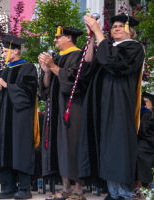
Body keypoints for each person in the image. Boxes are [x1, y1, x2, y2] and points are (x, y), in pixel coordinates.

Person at [79, 14, 145, 200]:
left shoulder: (134, 47)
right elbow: (89, 64)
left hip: (120, 103)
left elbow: (114, 64)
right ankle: (113, 192)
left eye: (120, 26)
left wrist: (99, 32)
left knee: (118, 146)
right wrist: (92, 36)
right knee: (105, 146)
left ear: (130, 30)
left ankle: (124, 193)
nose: (115, 28)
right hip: (103, 104)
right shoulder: (108, 47)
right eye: (113, 26)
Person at [38, 25, 93, 200]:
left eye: (58, 37)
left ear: (69, 38)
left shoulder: (78, 56)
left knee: (74, 145)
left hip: (73, 108)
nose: (55, 40)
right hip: (55, 108)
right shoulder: (56, 57)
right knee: (59, 146)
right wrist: (46, 71)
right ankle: (66, 188)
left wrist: (52, 66)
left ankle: (78, 189)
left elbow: (73, 83)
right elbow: (45, 87)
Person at [0, 34, 38, 199]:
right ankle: (8, 188)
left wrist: (8, 86)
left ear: (16, 51)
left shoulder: (28, 68)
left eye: (5, 51)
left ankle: (25, 189)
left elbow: (29, 93)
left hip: (21, 118)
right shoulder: (4, 70)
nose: (3, 54)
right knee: (5, 150)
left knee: (21, 150)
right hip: (5, 119)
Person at [134, 92, 154, 197]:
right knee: (138, 151)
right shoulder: (143, 115)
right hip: (145, 144)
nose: (144, 105)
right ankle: (139, 186)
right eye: (143, 102)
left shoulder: (149, 115)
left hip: (149, 144)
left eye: (146, 102)